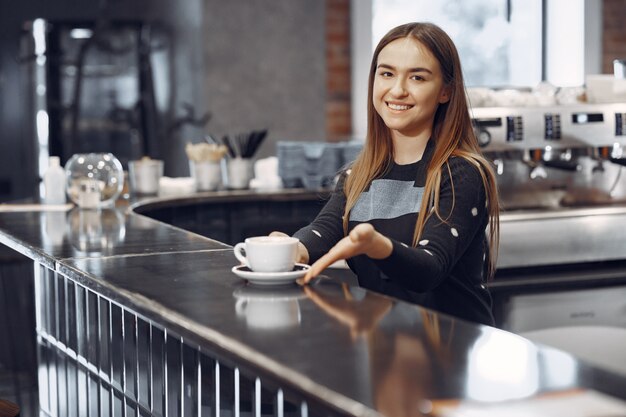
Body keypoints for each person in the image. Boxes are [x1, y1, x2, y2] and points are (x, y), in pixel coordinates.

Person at [276, 22, 500, 326]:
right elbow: (322, 232)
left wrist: (376, 245)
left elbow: (428, 270)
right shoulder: (360, 174)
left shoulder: (462, 173)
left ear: (446, 91)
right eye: (387, 74)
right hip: (386, 348)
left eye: (417, 77)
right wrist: (292, 248)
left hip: (454, 354)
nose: (397, 90)